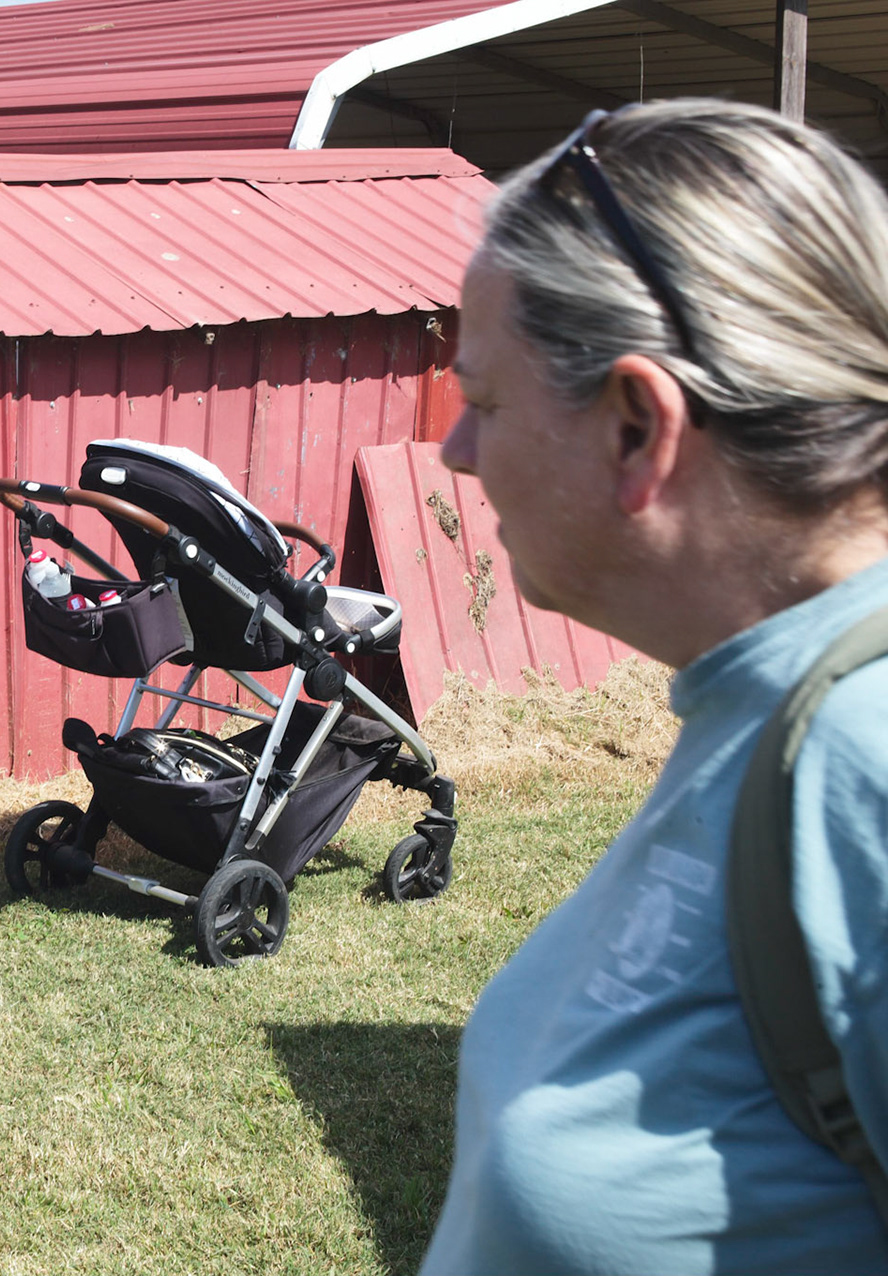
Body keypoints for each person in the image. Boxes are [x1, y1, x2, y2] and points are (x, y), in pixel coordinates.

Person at [425, 99, 888, 1273]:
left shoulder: (866, 760)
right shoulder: (756, 704)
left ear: (638, 426)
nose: (455, 454)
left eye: (483, 402)